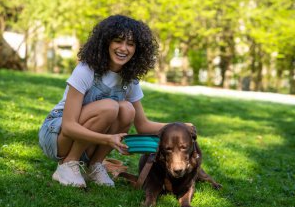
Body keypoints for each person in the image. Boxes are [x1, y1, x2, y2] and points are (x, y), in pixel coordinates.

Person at [39, 15, 191, 188]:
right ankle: (67, 164)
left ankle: (94, 165)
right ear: (106, 42)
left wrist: (180, 126)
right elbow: (68, 125)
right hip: (57, 134)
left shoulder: (129, 79)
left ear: (137, 50)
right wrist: (107, 139)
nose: (123, 48)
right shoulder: (86, 70)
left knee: (127, 109)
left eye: (131, 44)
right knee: (110, 107)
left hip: (86, 137)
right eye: (118, 41)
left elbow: (142, 125)